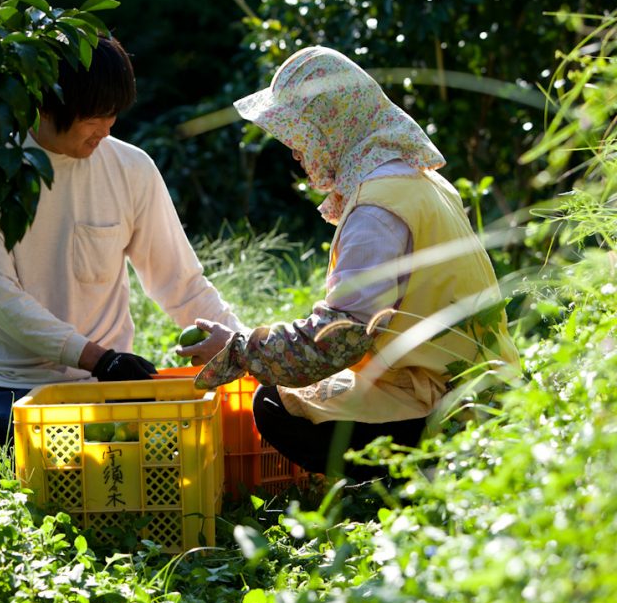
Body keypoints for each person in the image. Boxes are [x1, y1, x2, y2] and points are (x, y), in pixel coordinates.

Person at [0, 35, 244, 486]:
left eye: (113, 115)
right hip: (2, 385)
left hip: (105, 390)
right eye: (94, 116)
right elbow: (2, 300)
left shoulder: (132, 169)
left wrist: (246, 350)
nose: (106, 129)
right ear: (44, 106)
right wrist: (98, 358)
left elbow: (181, 282)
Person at [178, 46, 519, 482]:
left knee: (272, 404)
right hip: (477, 386)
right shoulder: (421, 184)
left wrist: (240, 350)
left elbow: (339, 337)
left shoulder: (377, 209)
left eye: (299, 138)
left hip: (439, 402)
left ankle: (422, 475)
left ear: (329, 129)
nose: (296, 153)